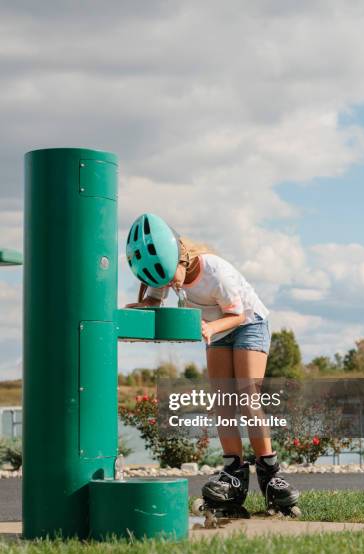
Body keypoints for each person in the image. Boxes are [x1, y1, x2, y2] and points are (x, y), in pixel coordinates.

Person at [125, 212, 300, 518]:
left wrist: (211, 329)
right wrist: (141, 307)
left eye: (168, 278)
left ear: (181, 259)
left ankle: (271, 473)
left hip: (247, 322)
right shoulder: (165, 272)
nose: (168, 285)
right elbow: (154, 300)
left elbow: (239, 315)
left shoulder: (215, 271)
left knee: (246, 399)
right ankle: (233, 472)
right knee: (222, 403)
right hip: (217, 329)